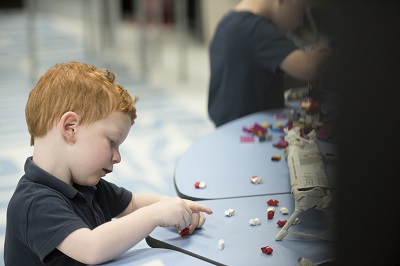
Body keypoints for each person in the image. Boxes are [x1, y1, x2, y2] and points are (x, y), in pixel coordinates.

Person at [4, 61, 213, 265]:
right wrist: (157, 214)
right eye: (112, 142)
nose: (117, 157)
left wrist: (175, 206)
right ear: (70, 128)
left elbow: (131, 203)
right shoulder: (34, 203)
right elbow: (91, 247)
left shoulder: (84, 184)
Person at [208, 0, 332, 127]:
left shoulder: (229, 22)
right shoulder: (257, 28)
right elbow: (308, 67)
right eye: (302, 9)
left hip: (227, 128)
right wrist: (324, 52)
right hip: (248, 131)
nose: (300, 22)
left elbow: (256, 82)